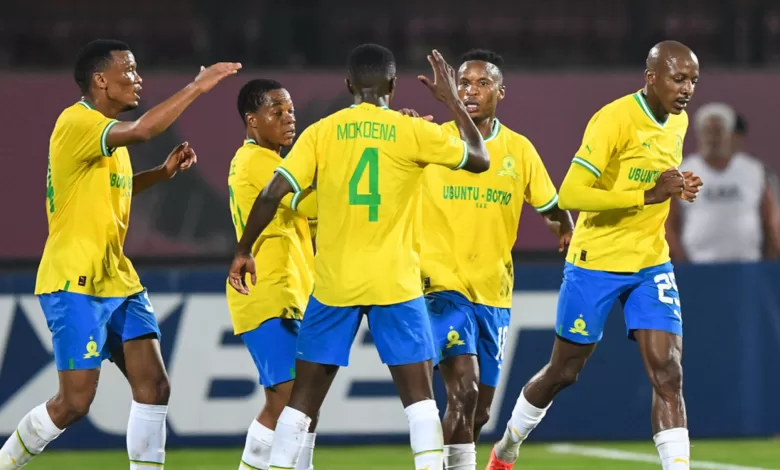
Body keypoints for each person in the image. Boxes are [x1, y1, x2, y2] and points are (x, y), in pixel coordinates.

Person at [228, 44, 490, 470]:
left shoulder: (321, 132)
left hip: (335, 283)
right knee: (420, 402)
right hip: (396, 281)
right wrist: (452, 102)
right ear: (392, 85)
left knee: (300, 404)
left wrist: (243, 250)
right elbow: (479, 158)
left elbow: (272, 193)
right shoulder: (412, 132)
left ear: (349, 85)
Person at [0, 39, 240, 470]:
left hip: (117, 278)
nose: (137, 79)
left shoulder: (109, 142)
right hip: (76, 278)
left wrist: (161, 174)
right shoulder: (77, 122)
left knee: (154, 388)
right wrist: (198, 87)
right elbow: (146, 129)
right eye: (128, 71)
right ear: (100, 81)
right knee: (74, 403)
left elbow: (117, 191)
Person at [486, 40, 703, 470]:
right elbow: (571, 193)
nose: (687, 89)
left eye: (693, 80)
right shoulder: (614, 119)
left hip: (649, 262)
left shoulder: (678, 122)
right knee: (563, 372)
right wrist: (650, 193)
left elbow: (660, 180)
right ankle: (508, 445)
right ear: (651, 78)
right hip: (596, 261)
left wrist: (676, 186)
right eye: (678, 79)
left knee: (668, 372)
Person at [414, 49, 574, 470]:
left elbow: (551, 206)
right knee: (462, 392)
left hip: (494, 292)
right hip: (440, 286)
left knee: (479, 412)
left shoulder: (519, 150)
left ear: (501, 92)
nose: (470, 91)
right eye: (463, 83)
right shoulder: (432, 139)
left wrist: (567, 232)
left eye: (481, 84)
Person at [227, 79, 320, 470]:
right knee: (292, 404)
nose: (288, 119)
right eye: (276, 111)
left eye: (291, 111)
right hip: (268, 294)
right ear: (252, 120)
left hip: (289, 294)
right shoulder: (260, 162)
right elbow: (314, 199)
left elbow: (311, 216)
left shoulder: (268, 162)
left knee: (285, 405)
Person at [666, 103, 780, 263]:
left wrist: (772, 261)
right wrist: (679, 261)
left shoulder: (755, 171)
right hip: (697, 266)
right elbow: (668, 224)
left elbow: (770, 222)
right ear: (699, 134)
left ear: (730, 134)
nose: (713, 138)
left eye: (719, 131)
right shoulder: (682, 173)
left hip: (748, 266)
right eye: (708, 131)